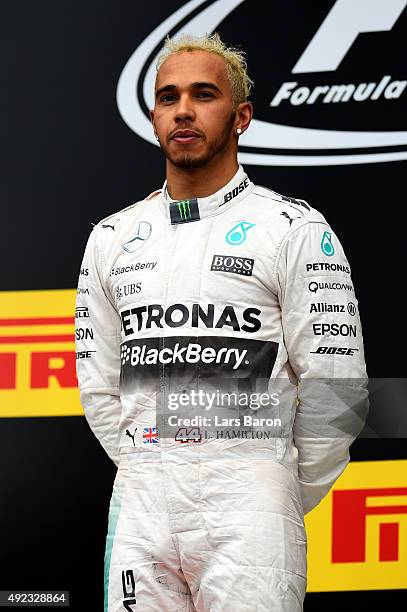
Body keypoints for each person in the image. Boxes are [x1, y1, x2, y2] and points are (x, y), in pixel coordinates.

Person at [75, 33, 368, 612]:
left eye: (203, 94)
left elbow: (338, 391)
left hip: (252, 502)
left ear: (240, 118)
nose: (183, 109)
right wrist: (152, 460)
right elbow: (100, 387)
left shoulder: (292, 228)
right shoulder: (110, 238)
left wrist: (271, 482)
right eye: (168, 97)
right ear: (155, 118)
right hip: (141, 503)